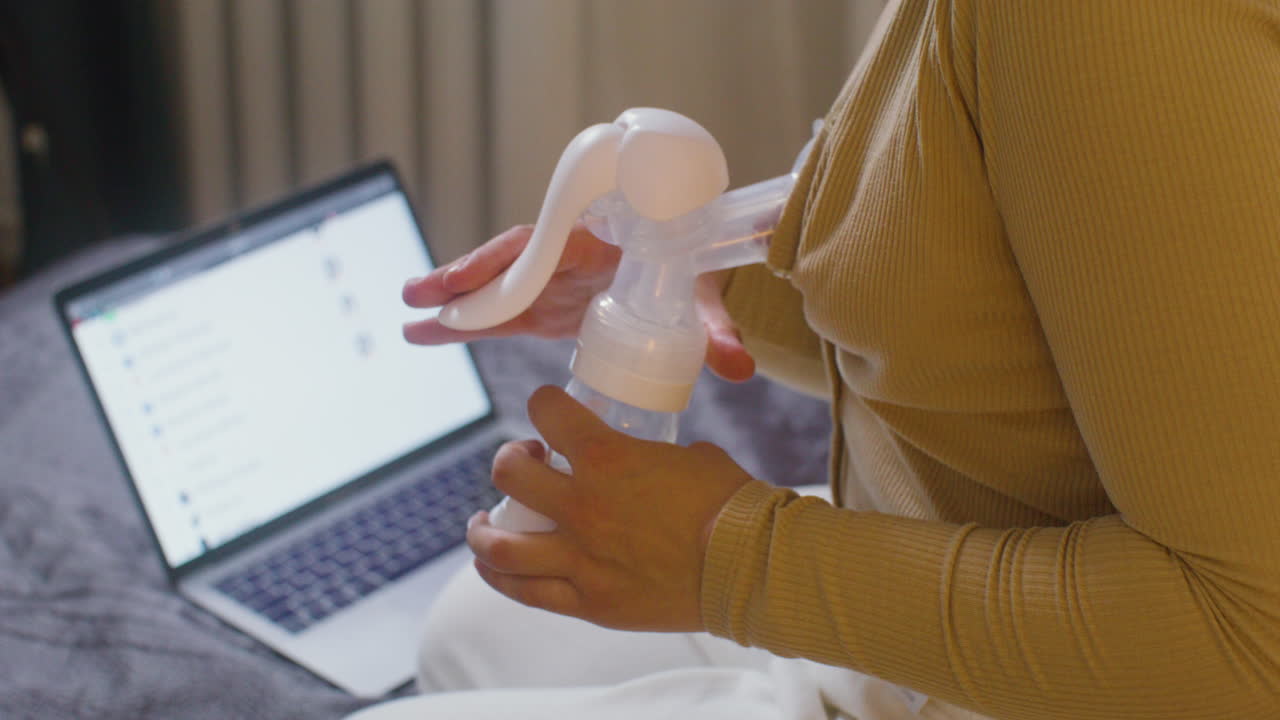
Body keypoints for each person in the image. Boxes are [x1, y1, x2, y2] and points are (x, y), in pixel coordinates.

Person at [351, 2, 1280, 718]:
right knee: (479, 624)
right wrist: (695, 267)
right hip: (918, 596)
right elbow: (988, 289)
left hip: (1041, 679)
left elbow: (1251, 646)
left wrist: (734, 561)